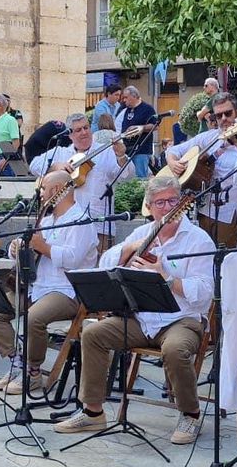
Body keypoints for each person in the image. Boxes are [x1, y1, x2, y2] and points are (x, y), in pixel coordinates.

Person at [57, 175, 214, 443]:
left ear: (182, 204)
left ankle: (190, 414)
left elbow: (204, 293)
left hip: (181, 319)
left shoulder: (198, 240)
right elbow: (105, 264)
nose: (168, 207)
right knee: (93, 334)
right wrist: (129, 248)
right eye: (160, 203)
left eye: (173, 201)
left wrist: (166, 277)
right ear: (149, 207)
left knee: (175, 349)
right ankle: (93, 411)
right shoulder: (143, 233)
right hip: (143, 318)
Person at [0, 171, 100, 393]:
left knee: (33, 318)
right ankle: (17, 364)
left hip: (67, 290)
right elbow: (29, 254)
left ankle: (33, 372)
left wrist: (43, 247)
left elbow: (73, 259)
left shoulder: (81, 221)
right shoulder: (45, 220)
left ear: (56, 190)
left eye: (43, 189)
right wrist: (16, 248)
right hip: (36, 286)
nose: (40, 194)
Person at [166, 91, 237, 248]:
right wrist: (173, 162)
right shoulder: (208, 137)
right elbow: (174, 150)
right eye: (218, 115)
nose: (223, 119)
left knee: (225, 257)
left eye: (228, 113)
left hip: (228, 213)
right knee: (203, 254)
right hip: (204, 209)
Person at [30, 113, 128, 251]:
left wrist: (121, 156)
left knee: (97, 263)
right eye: (78, 130)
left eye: (86, 128)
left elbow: (126, 175)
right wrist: (56, 167)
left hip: (97, 223)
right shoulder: (61, 152)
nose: (84, 132)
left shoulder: (106, 151)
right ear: (70, 135)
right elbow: (34, 165)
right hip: (66, 225)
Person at [119, 85, 158, 177]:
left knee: (140, 177)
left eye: (126, 97)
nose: (124, 100)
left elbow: (155, 126)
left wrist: (141, 128)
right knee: (128, 177)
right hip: (127, 149)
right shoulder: (127, 110)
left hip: (141, 150)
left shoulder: (147, 109)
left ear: (134, 96)